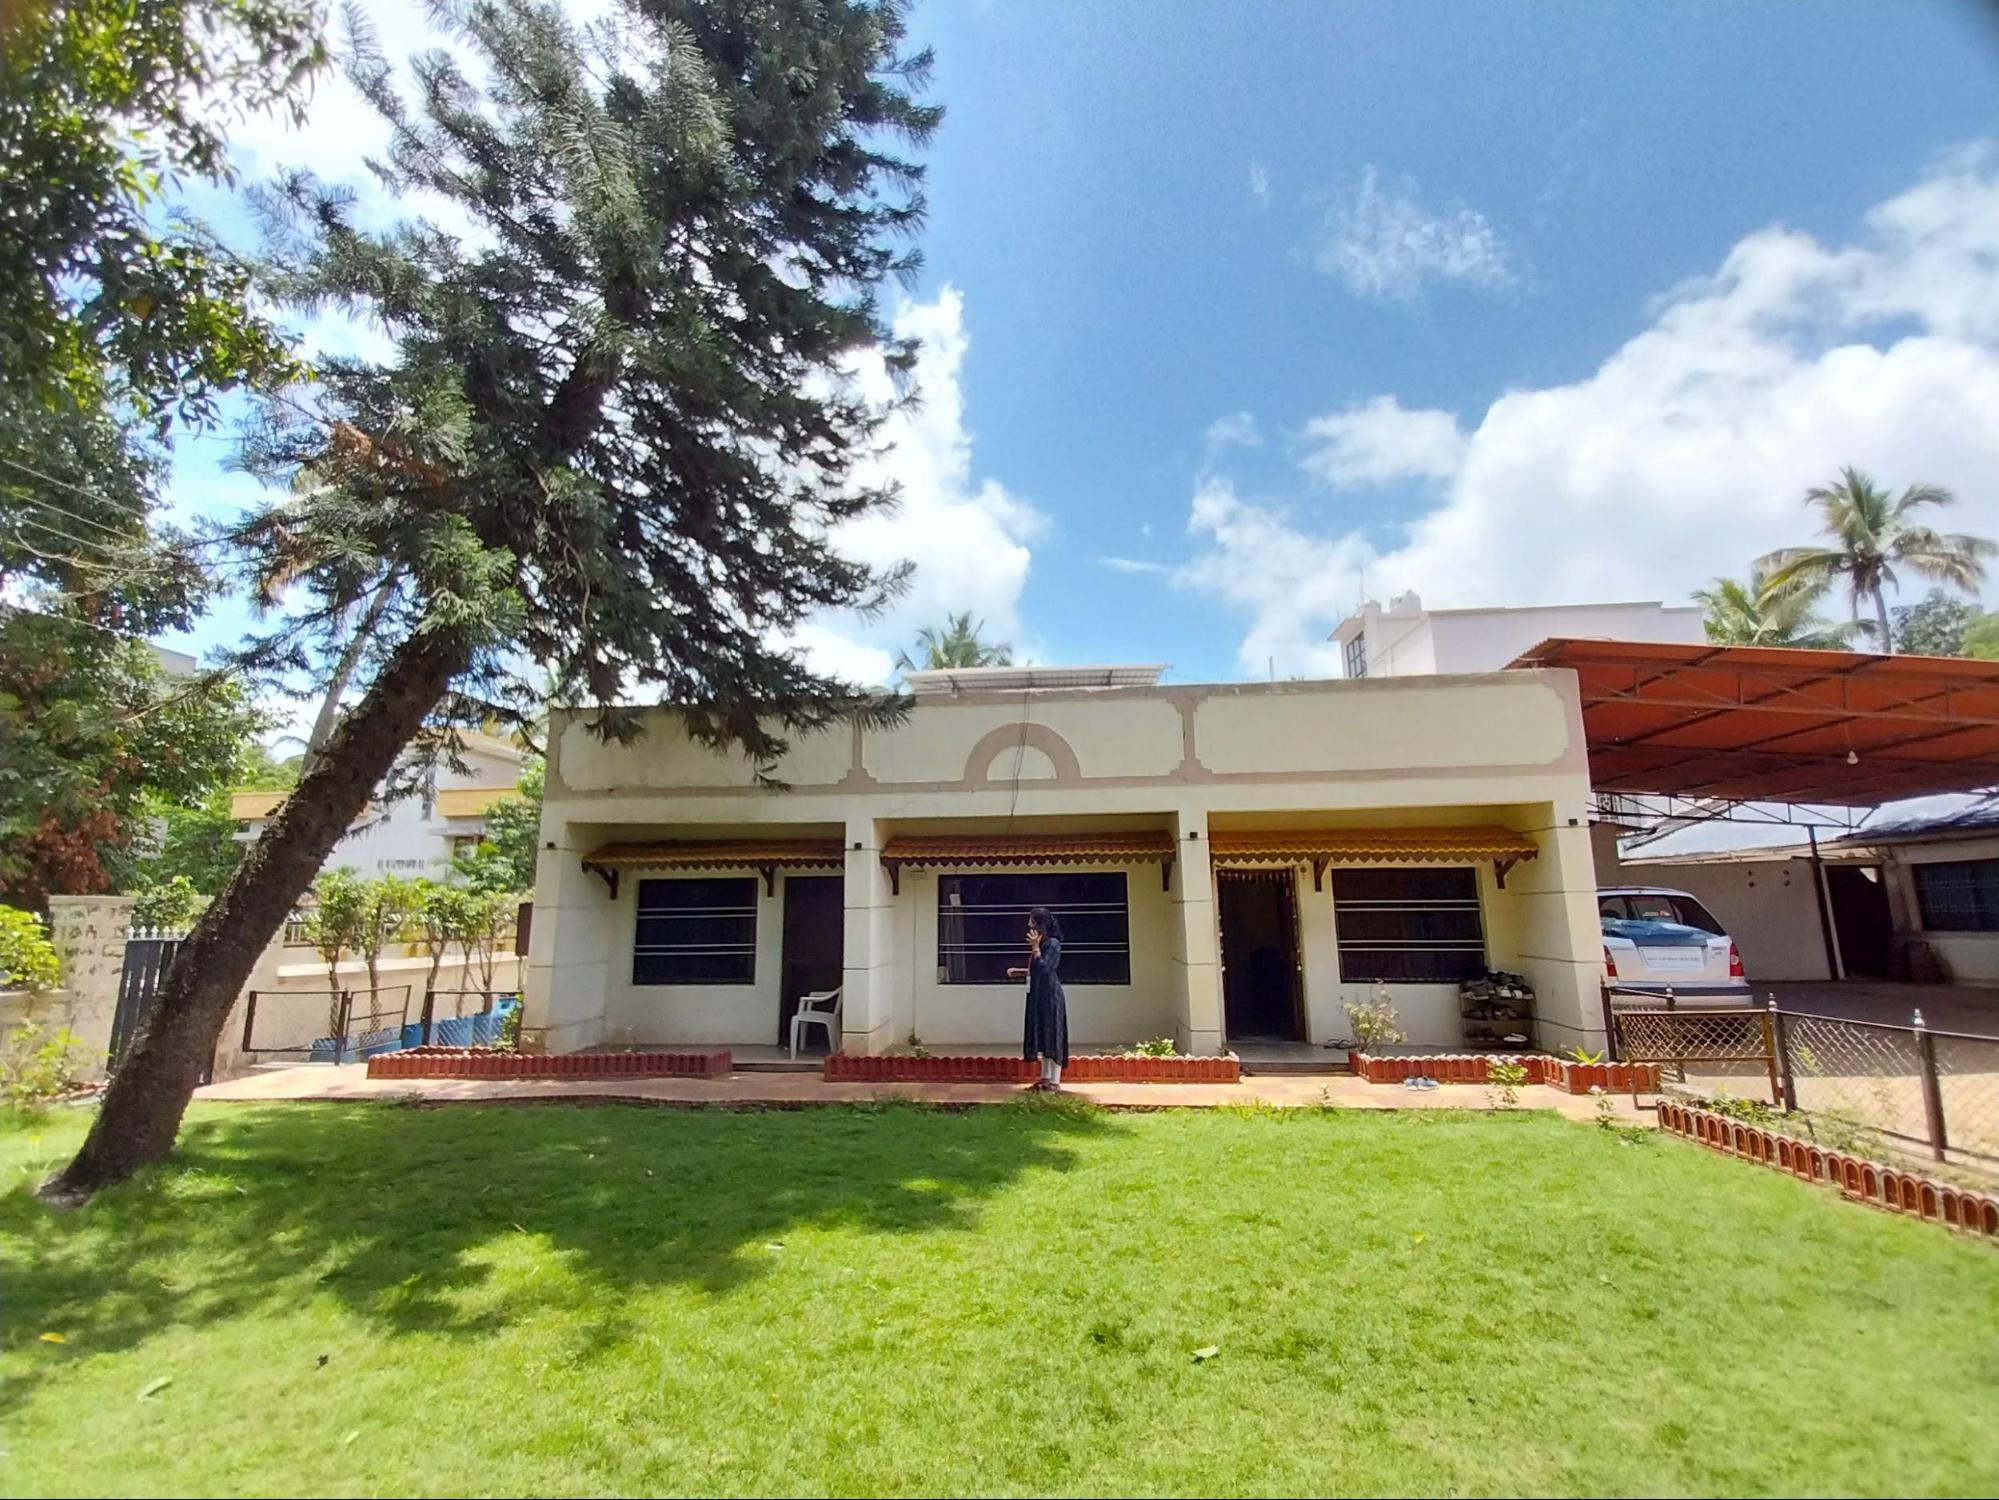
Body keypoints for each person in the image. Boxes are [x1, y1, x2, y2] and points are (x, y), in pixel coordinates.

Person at [1007, 906, 1069, 1091]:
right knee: (1042, 1035)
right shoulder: (1043, 944)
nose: (1028, 925)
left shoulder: (1053, 944)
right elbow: (1036, 970)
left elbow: (1045, 968)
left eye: (1032, 921)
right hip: (1038, 995)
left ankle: (1055, 1082)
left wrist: (1034, 948)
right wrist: (1020, 971)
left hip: (1050, 996)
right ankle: (1044, 1079)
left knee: (1052, 1035)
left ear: (1040, 923)